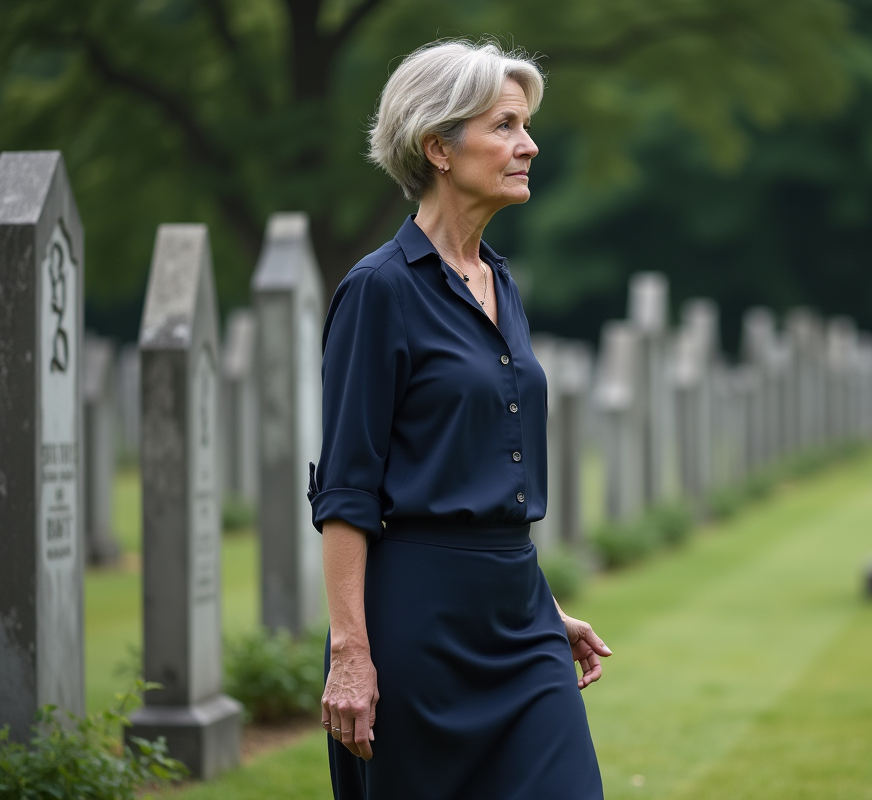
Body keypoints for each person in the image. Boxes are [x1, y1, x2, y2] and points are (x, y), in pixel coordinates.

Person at [307, 40, 610, 799]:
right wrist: (351, 652)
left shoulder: (500, 280)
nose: (529, 144)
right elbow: (347, 487)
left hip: (521, 618)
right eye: (505, 125)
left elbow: (489, 473)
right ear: (438, 145)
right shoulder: (378, 291)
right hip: (418, 628)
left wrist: (546, 609)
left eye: (526, 125)